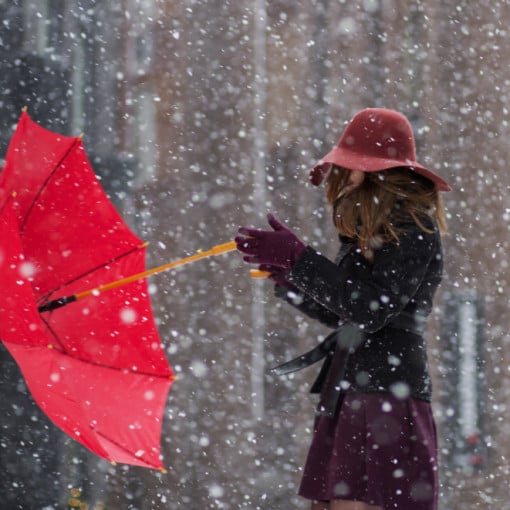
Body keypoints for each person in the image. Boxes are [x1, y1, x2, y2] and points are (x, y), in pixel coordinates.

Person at [235, 108, 451, 510]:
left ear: (376, 170)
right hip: (353, 386)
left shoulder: (414, 227)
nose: (342, 176)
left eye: (350, 165)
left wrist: (301, 260)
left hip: (389, 388)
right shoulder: (364, 228)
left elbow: (373, 310)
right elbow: (344, 313)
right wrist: (291, 279)